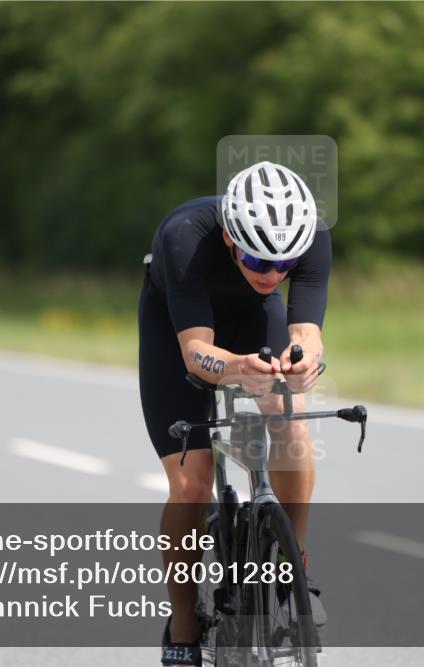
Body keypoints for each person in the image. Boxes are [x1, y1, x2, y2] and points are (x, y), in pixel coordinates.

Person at [138, 161, 331, 666]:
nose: (271, 274)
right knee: (191, 484)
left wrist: (304, 361)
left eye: (284, 265)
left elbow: (306, 330)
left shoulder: (310, 237)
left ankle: (293, 568)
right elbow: (196, 352)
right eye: (256, 259)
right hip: (177, 325)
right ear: (229, 236)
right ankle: (183, 626)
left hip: (251, 319)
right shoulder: (185, 235)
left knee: (290, 419)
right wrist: (237, 368)